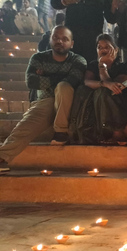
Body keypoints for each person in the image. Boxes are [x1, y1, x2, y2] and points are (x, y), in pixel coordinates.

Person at [0, 26, 86, 171]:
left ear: (72, 43)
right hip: (45, 102)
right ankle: (2, 158)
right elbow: (32, 82)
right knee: (25, 127)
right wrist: (59, 78)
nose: (60, 41)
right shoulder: (38, 58)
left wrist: (45, 77)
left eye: (65, 39)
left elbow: (73, 80)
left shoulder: (78, 60)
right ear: (50, 39)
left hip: (69, 104)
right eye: (56, 38)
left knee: (64, 87)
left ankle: (61, 131)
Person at [69, 34, 127, 145]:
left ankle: (117, 132)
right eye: (99, 47)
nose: (103, 50)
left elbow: (117, 87)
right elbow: (86, 82)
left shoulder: (124, 66)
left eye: (107, 47)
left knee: (104, 92)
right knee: (83, 90)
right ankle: (81, 130)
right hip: (96, 103)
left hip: (119, 102)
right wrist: (103, 83)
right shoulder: (93, 65)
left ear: (116, 50)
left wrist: (103, 68)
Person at [51, 0, 116, 63]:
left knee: (90, 67)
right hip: (72, 36)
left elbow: (111, 18)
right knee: (70, 65)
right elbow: (54, 3)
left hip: (92, 38)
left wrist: (115, 5)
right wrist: (64, 1)